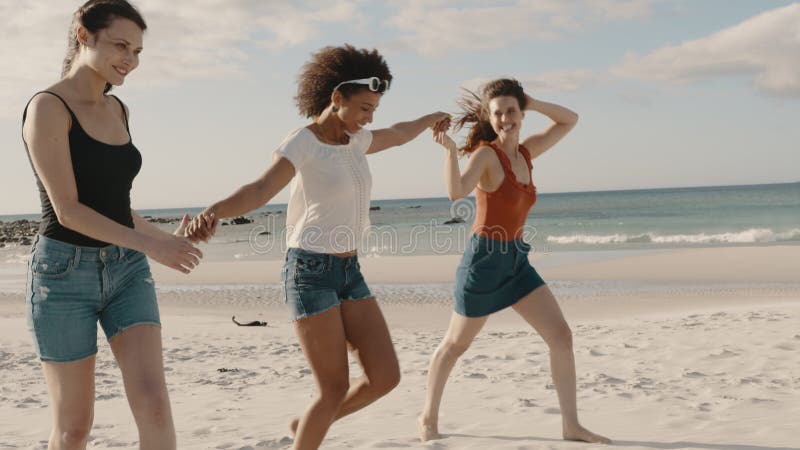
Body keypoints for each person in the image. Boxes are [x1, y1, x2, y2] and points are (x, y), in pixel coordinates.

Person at [186, 44, 450, 450]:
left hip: (349, 272)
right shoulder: (303, 142)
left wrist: (431, 118)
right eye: (363, 108)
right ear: (336, 97)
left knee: (385, 377)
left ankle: (308, 424)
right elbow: (259, 189)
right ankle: (311, 429)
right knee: (332, 388)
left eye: (374, 109)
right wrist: (215, 211)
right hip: (310, 273)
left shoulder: (356, 141)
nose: (368, 118)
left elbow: (398, 135)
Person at [21, 1, 202, 448]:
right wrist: (153, 247)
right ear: (84, 35)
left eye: (138, 51)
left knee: (155, 406)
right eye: (121, 45)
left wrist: (165, 239)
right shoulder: (48, 107)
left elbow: (116, 206)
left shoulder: (119, 109)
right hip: (62, 275)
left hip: (126, 272)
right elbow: (69, 210)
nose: (130, 60)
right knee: (73, 427)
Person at [418, 78, 610, 444]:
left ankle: (571, 425)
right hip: (484, 262)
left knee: (561, 336)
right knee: (455, 345)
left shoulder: (526, 153)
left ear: (520, 112)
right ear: (489, 119)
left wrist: (533, 102)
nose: (506, 118)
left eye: (512, 111)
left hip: (516, 261)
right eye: (498, 113)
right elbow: (456, 191)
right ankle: (427, 418)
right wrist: (447, 151)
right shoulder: (486, 155)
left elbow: (570, 120)